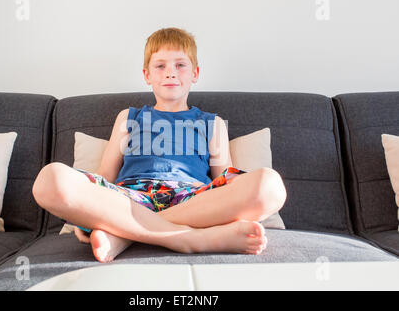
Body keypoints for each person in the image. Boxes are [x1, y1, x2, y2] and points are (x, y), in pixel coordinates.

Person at [32, 27, 287, 263]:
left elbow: (224, 182)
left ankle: (125, 234)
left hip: (192, 201)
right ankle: (190, 239)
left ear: (195, 73)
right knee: (49, 179)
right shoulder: (128, 117)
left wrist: (102, 221)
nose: (170, 72)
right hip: (130, 198)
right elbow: (105, 178)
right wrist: (86, 205)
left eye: (180, 65)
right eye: (160, 65)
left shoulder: (213, 123)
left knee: (271, 186)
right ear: (147, 75)